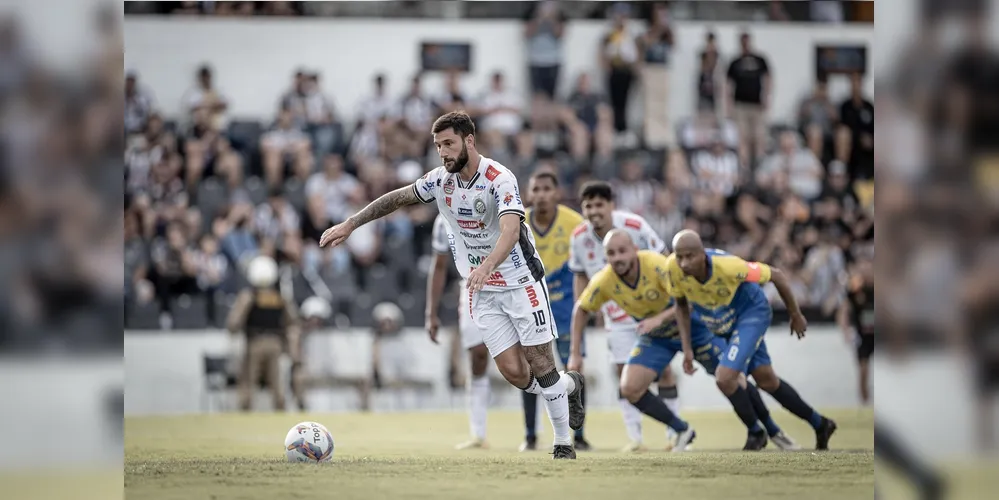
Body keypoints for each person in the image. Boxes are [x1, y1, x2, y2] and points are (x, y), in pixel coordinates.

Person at [321, 111, 585, 458]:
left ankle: (562, 443)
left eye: (448, 144)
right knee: (514, 374)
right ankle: (569, 385)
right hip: (484, 291)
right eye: (437, 146)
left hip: (521, 282)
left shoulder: (499, 178)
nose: (442, 152)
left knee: (540, 361)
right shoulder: (438, 181)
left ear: (469, 141)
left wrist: (487, 265)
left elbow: (509, 232)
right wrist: (352, 223)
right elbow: (398, 198)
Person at [574, 230, 795, 452]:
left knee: (732, 378)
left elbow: (686, 300)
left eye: (622, 251)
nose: (618, 258)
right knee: (629, 388)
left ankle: (771, 430)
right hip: (658, 338)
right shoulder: (604, 280)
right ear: (605, 257)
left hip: (694, 329)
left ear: (635, 249)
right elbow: (581, 309)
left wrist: (657, 319)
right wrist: (575, 353)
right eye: (611, 253)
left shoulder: (657, 265)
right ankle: (682, 430)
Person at [668, 230, 838, 450]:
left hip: (751, 313)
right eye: (679, 256)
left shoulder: (729, 266)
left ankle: (757, 433)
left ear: (703, 254)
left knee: (725, 377)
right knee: (766, 380)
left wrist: (795, 314)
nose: (683, 263)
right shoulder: (672, 269)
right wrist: (687, 347)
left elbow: (777, 275)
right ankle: (820, 423)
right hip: (724, 321)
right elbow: (680, 306)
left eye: (689, 256)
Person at [567, 181, 680, 451]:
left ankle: (674, 436)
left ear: (611, 206)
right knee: (622, 372)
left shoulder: (635, 225)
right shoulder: (579, 236)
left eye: (599, 205)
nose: (594, 211)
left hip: (652, 310)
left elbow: (667, 260)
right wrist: (585, 307)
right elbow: (580, 276)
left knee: (664, 371)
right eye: (588, 206)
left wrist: (671, 305)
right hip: (615, 314)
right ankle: (636, 438)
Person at [522, 172, 588, 452]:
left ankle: (580, 435)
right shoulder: (517, 219)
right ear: (528, 193)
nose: (541, 194)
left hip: (566, 308)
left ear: (557, 193)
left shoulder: (575, 224)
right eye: (536, 188)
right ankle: (530, 435)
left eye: (547, 188)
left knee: (573, 368)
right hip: (529, 305)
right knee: (531, 369)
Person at [426, 213, 491, 450]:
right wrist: (431, 313)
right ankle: (478, 434)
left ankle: (534, 432)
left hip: (510, 284)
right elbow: (439, 265)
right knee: (478, 355)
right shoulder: (443, 220)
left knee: (525, 361)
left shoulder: (493, 200)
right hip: (473, 288)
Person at [226, 255, 301, 412]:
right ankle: (280, 413)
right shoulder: (280, 298)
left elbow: (233, 323)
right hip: (275, 344)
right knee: (277, 384)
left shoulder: (248, 297)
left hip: (255, 344)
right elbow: (292, 320)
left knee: (248, 382)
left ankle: (245, 412)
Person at [838, 257, 874, 405]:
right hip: (864, 335)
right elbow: (843, 310)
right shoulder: (854, 288)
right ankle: (865, 404)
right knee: (863, 370)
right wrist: (845, 330)